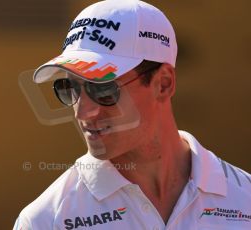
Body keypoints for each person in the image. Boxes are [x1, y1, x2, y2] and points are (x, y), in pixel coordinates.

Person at [13, 0, 251, 229]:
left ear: (164, 84)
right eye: (70, 89)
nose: (82, 112)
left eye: (103, 89)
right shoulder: (46, 220)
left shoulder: (245, 199)